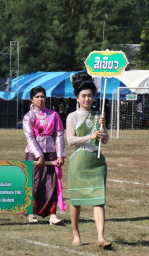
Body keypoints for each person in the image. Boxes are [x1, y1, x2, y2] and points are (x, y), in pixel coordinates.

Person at [66, 72, 111, 247]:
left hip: (96, 161)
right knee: (76, 201)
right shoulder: (72, 116)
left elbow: (105, 140)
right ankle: (76, 234)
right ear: (77, 97)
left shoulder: (97, 115)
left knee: (99, 199)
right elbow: (70, 140)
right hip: (79, 161)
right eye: (84, 96)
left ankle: (101, 237)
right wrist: (90, 136)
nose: (87, 99)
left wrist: (103, 127)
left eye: (90, 95)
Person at [23, 86, 67, 225]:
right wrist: (38, 154)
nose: (40, 99)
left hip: (51, 153)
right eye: (37, 97)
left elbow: (59, 135)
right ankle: (30, 212)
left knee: (51, 183)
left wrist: (60, 155)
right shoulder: (28, 117)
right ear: (32, 99)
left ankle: (52, 214)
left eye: (42, 96)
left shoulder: (54, 115)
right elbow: (30, 137)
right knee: (33, 183)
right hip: (33, 154)